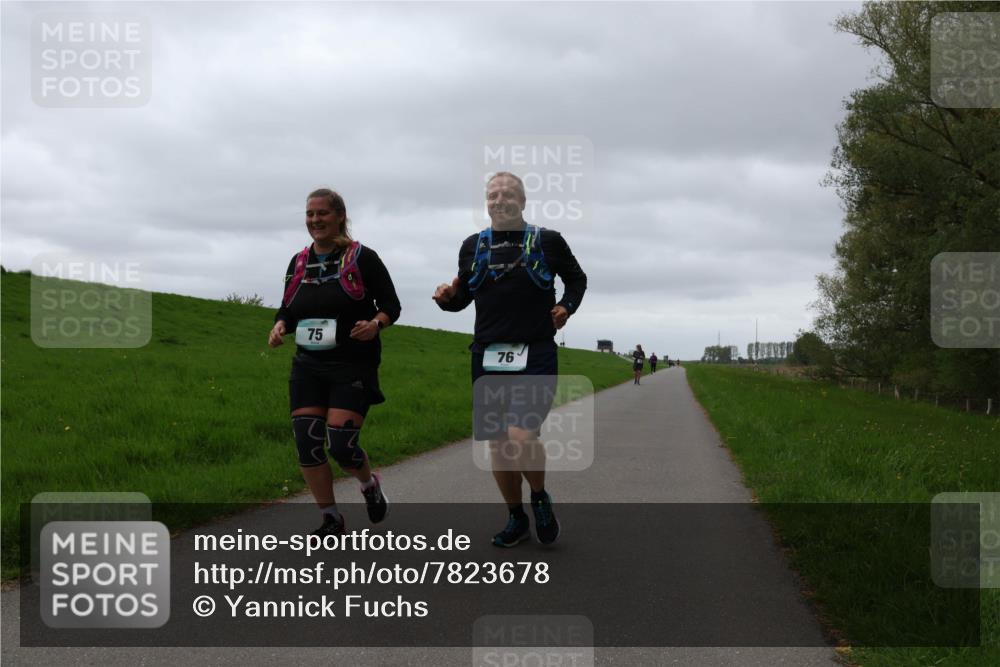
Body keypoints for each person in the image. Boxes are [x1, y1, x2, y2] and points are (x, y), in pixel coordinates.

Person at [433, 172, 587, 547]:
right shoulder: (472, 246)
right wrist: (446, 299)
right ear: (486, 202)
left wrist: (566, 307)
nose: (499, 200)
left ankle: (539, 496)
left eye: (507, 194)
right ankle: (516, 517)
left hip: (535, 351)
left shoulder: (548, 241)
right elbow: (463, 298)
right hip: (487, 355)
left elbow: (577, 280)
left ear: (522, 200)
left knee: (521, 433)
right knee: (499, 442)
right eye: (492, 194)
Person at [268, 188, 401, 537]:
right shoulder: (298, 261)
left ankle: (369, 484)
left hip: (351, 364)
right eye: (310, 214)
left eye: (322, 213)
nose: (315, 220)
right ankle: (331, 517)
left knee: (341, 444)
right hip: (308, 366)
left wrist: (376, 324)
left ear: (339, 216)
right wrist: (281, 325)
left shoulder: (362, 258)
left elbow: (391, 304)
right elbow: (288, 307)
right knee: (307, 441)